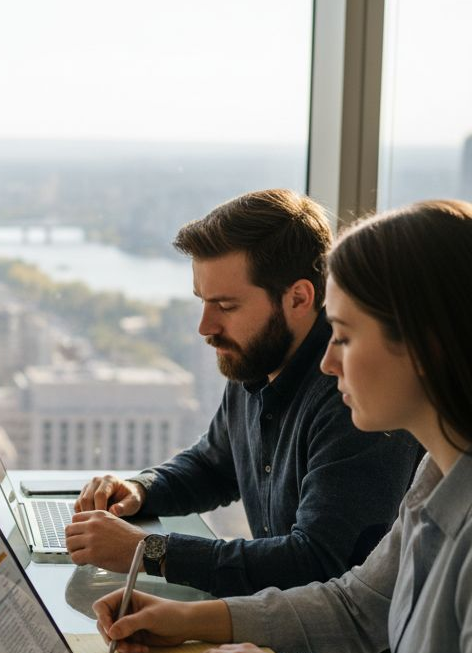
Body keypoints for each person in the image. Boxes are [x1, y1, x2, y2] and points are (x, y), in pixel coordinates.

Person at [95, 200, 472, 653]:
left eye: (344, 336)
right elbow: (358, 606)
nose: (328, 362)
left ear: (427, 346)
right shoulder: (436, 474)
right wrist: (189, 619)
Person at [65, 189, 421, 599]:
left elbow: (317, 564)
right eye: (203, 301)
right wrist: (141, 489)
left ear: (298, 298)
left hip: (343, 636)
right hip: (279, 617)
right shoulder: (257, 357)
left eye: (226, 306)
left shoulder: (353, 396)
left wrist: (151, 551)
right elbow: (215, 464)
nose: (205, 327)